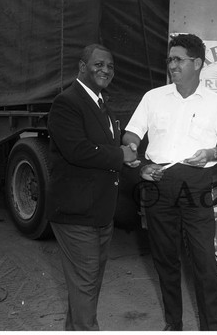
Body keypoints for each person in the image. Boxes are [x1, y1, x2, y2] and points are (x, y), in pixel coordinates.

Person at [122, 33, 217, 331]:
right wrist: (134, 151)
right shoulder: (153, 97)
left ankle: (212, 328)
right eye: (170, 59)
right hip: (157, 182)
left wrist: (210, 153)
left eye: (178, 59)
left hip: (196, 184)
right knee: (165, 260)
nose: (172, 65)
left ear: (197, 63)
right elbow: (133, 133)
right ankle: (174, 325)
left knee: (204, 263)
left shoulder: (216, 103)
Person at [46, 44, 138, 330]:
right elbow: (78, 151)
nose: (106, 71)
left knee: (87, 287)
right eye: (99, 65)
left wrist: (128, 158)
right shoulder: (67, 102)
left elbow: (106, 147)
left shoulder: (102, 104)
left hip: (99, 212)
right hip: (76, 214)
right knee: (86, 285)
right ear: (82, 67)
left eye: (110, 67)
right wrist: (119, 155)